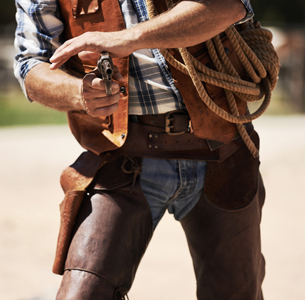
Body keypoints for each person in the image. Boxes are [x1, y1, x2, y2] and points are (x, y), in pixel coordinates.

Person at [14, 0, 278, 299]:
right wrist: (79, 94)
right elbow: (31, 64)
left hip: (222, 150)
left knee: (236, 293)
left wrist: (126, 39)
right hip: (122, 155)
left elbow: (228, 6)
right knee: (83, 294)